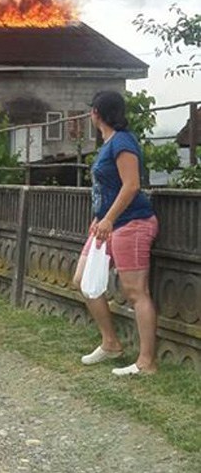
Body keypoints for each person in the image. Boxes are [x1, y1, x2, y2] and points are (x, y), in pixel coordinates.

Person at [74, 90, 159, 375]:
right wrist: (99, 217)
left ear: (96, 113)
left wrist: (108, 219)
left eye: (91, 110)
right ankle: (111, 343)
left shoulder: (122, 141)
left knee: (136, 292)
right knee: (84, 280)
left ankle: (146, 362)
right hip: (108, 224)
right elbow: (107, 188)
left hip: (132, 223)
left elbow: (131, 185)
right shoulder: (108, 143)